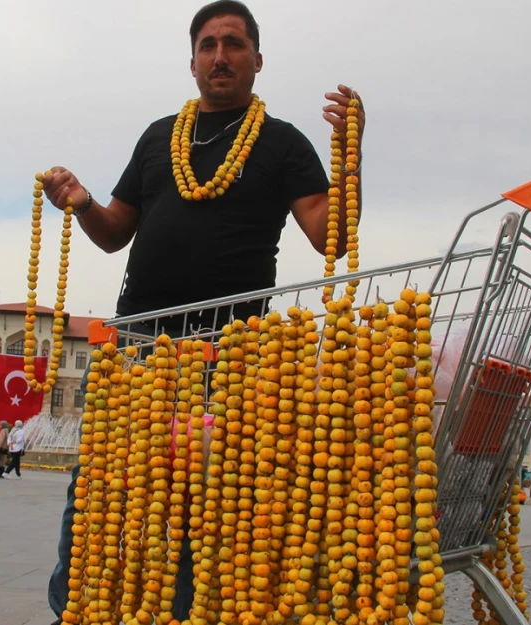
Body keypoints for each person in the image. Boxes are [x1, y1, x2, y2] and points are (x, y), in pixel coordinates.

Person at [40, 2, 367, 621]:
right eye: (209, 45)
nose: (221, 56)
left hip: (226, 357)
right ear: (192, 61)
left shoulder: (282, 142)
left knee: (199, 498)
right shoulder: (158, 136)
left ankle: (183, 613)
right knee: (99, 489)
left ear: (257, 60)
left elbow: (332, 236)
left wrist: (350, 154)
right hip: (135, 350)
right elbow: (115, 233)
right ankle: (74, 609)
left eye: (235, 44)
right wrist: (81, 202)